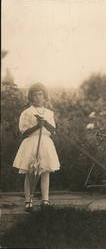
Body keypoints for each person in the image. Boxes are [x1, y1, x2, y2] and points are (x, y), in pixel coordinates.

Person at [13, 83, 60, 211]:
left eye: (40, 94)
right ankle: (28, 200)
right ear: (31, 97)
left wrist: (44, 124)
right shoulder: (27, 113)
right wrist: (36, 126)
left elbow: (53, 130)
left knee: (45, 171)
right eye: (34, 95)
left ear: (44, 96)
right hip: (31, 143)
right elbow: (24, 132)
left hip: (45, 143)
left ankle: (45, 199)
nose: (38, 98)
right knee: (30, 172)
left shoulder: (49, 113)